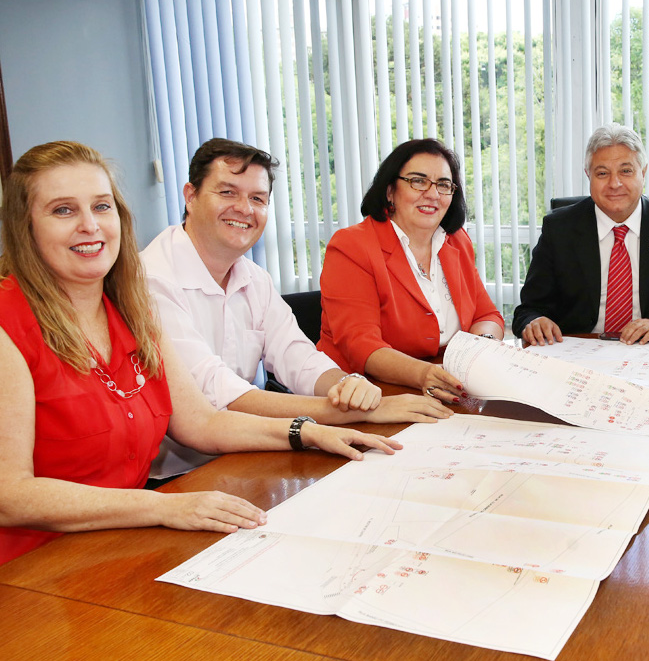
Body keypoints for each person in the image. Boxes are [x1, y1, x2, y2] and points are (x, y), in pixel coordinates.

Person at [0, 141, 400, 566]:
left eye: (101, 207)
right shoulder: (9, 325)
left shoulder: (132, 308)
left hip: (119, 544)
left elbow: (201, 422)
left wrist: (307, 431)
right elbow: (10, 493)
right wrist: (166, 507)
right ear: (25, 226)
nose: (89, 225)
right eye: (63, 210)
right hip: (33, 566)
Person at [142, 139, 451, 478]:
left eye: (258, 198)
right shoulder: (152, 279)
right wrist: (355, 413)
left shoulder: (253, 278)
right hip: (172, 476)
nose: (245, 208)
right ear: (190, 195)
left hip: (245, 454)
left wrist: (347, 386)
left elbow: (297, 356)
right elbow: (221, 395)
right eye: (228, 192)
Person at [318, 138, 504, 403]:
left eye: (443, 184)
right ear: (390, 190)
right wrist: (426, 374)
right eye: (418, 181)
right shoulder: (352, 246)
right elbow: (361, 345)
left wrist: (480, 348)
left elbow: (487, 315)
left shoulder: (456, 240)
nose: (432, 193)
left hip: (443, 389)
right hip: (363, 395)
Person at [511, 123, 649, 345]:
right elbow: (527, 311)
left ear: (643, 172)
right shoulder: (560, 229)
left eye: (626, 171)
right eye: (602, 173)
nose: (615, 183)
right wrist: (536, 321)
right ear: (588, 175)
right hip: (579, 357)